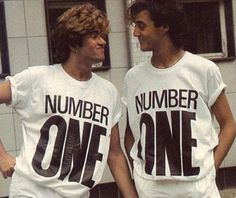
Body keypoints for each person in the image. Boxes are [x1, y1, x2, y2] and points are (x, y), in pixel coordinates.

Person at [0, 3, 138, 198]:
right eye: (94, 35)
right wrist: (2, 157)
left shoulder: (108, 92)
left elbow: (114, 153)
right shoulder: (38, 78)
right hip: (32, 192)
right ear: (73, 43)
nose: (103, 41)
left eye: (103, 35)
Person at [122, 0, 236, 197]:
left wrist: (212, 168)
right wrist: (140, 177)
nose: (135, 33)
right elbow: (131, 134)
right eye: (135, 27)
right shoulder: (133, 78)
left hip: (199, 189)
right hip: (152, 191)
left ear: (165, 26)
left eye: (141, 26)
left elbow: (228, 124)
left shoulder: (203, 69)